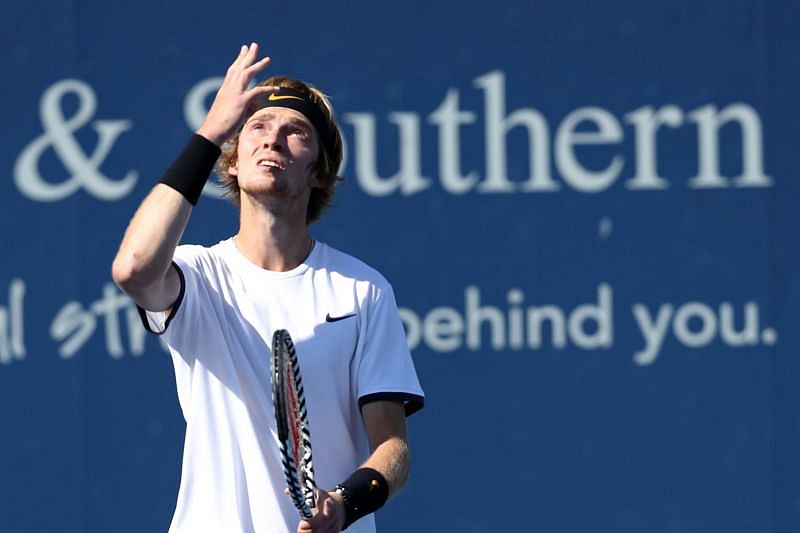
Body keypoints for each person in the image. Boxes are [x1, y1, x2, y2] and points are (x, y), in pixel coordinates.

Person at [112, 42, 424, 533]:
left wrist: (345, 502)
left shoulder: (362, 291)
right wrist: (213, 130)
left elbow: (394, 447)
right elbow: (133, 268)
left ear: (319, 173)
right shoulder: (197, 276)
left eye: (295, 132)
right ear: (233, 161)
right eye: (257, 128)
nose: (272, 140)